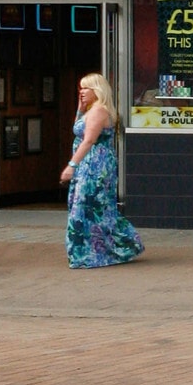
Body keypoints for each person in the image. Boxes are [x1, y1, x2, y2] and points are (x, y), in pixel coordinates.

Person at [60, 72, 144, 270]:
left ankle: (92, 252)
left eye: (86, 88)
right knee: (88, 207)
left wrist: (71, 165)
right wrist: (80, 111)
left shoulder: (99, 111)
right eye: (80, 88)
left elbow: (88, 140)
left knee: (87, 206)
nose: (81, 92)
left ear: (97, 90)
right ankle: (91, 251)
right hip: (89, 164)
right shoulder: (92, 111)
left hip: (94, 166)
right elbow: (78, 130)